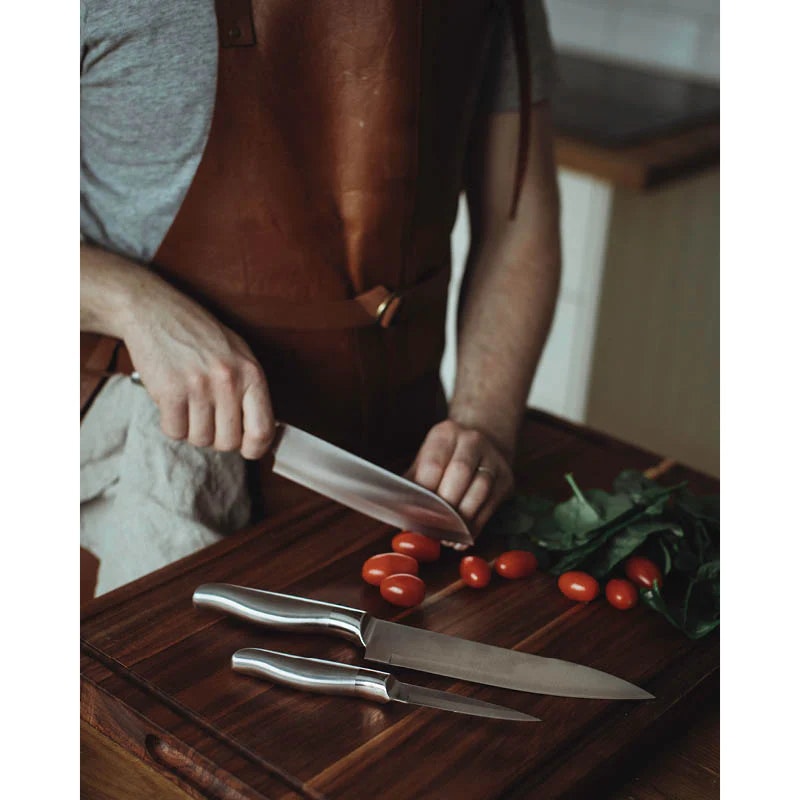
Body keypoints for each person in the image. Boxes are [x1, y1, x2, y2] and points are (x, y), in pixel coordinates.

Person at [80, 0, 562, 597]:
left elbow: (519, 224)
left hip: (406, 476)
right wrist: (134, 303)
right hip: (152, 474)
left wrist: (483, 423)